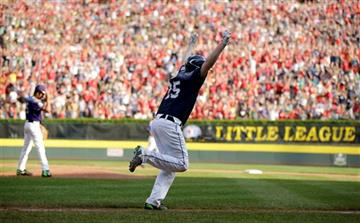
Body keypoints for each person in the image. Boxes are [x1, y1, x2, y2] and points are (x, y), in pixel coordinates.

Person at [129, 30, 230, 210]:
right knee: (182, 164)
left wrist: (190, 45)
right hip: (170, 123)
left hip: (159, 121)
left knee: (170, 166)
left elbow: (186, 60)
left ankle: (153, 201)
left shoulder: (181, 73)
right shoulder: (192, 78)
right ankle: (144, 155)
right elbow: (208, 62)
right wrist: (222, 44)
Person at [16, 84, 52, 177]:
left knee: (26, 148)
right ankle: (45, 170)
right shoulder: (36, 101)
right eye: (42, 94)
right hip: (33, 126)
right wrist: (49, 100)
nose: (43, 96)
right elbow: (48, 110)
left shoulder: (30, 99)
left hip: (28, 124)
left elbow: (21, 99)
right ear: (38, 93)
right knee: (40, 148)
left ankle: (20, 169)